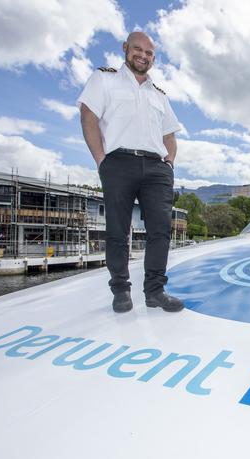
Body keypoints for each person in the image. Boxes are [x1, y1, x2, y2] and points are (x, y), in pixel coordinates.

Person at [78, 31, 184, 313]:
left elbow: (170, 136)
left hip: (156, 168)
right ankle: (121, 291)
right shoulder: (104, 78)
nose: (143, 56)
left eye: (149, 53)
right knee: (117, 230)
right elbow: (88, 116)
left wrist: (169, 164)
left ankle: (155, 292)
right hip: (118, 162)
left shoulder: (159, 95)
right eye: (138, 49)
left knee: (160, 231)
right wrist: (102, 161)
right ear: (126, 48)